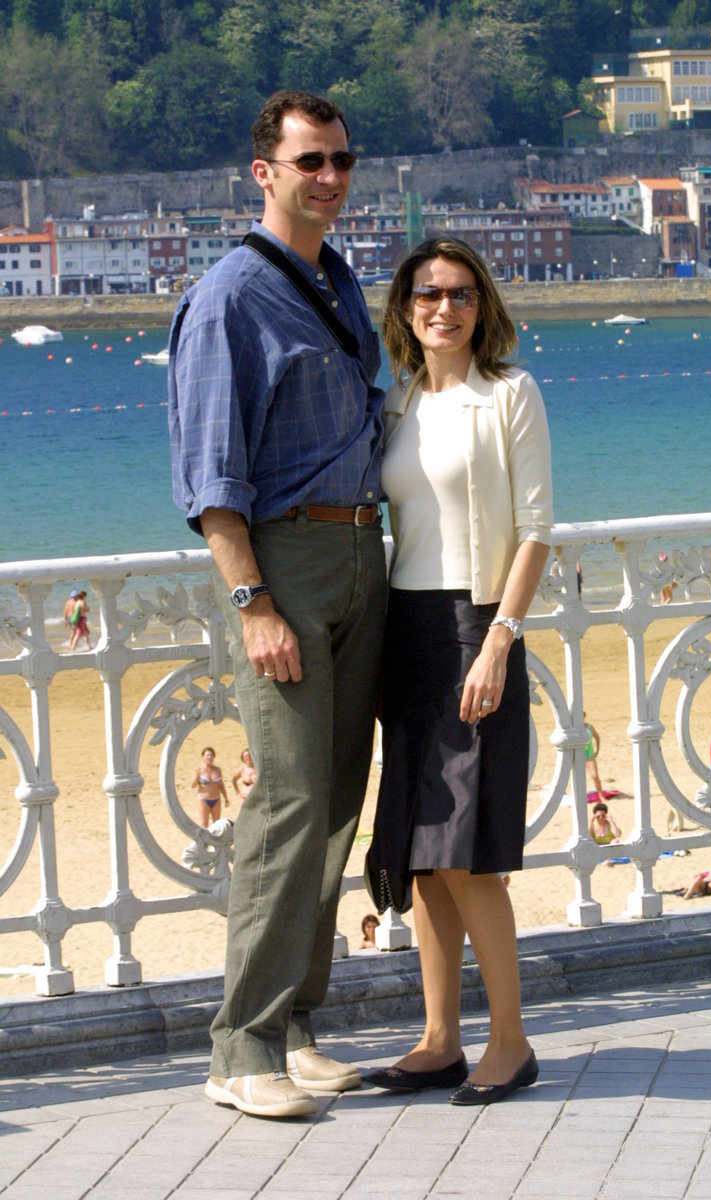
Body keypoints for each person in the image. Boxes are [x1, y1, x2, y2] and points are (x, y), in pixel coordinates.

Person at [168, 90, 386, 1120]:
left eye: (342, 160)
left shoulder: (338, 279)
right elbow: (211, 477)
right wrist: (252, 601)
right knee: (287, 801)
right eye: (311, 161)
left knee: (335, 804)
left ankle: (296, 1025)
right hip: (286, 563)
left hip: (360, 549)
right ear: (263, 172)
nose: (330, 177)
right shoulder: (227, 298)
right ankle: (239, 1046)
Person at [364, 236, 552, 1106]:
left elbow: (536, 529)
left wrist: (499, 641)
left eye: (463, 294)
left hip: (477, 627)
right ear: (406, 308)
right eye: (429, 294)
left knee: (469, 855)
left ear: (484, 307)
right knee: (423, 852)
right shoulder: (397, 404)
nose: (446, 307)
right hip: (405, 632)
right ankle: (440, 1040)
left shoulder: (509, 394)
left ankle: (510, 1042)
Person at [191, 746, 230, 827]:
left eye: (211, 755)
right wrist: (197, 776)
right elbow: (193, 785)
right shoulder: (198, 769)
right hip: (203, 800)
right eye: (207, 755)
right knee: (204, 824)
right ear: (203, 757)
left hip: (216, 799)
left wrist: (226, 798)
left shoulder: (217, 770)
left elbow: (221, 785)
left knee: (217, 824)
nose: (209, 757)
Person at [584, 714, 605, 800]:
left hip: (589, 754)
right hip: (577, 755)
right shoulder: (573, 729)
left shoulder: (589, 727)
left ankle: (600, 795)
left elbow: (597, 737)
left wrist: (597, 750)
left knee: (594, 775)